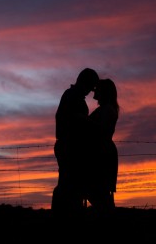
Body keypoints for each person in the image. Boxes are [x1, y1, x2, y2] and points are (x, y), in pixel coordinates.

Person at [51, 68, 99, 217]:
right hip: (69, 147)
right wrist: (88, 122)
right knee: (69, 185)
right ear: (84, 82)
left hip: (70, 146)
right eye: (90, 87)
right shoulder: (72, 96)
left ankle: (65, 216)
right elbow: (71, 120)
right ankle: (65, 217)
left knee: (69, 184)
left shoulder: (73, 96)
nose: (90, 92)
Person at [85, 78, 119, 216]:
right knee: (98, 192)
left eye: (97, 88)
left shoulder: (107, 110)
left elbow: (101, 131)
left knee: (98, 191)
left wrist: (83, 120)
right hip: (101, 153)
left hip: (102, 154)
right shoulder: (106, 109)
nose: (94, 90)